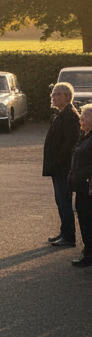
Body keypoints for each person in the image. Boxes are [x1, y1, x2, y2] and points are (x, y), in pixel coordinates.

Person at [44, 82, 80, 248]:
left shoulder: (70, 116)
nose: (53, 97)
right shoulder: (62, 113)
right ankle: (64, 232)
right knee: (60, 201)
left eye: (56, 94)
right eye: (53, 94)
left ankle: (69, 237)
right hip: (58, 166)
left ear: (66, 97)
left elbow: (71, 142)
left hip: (63, 167)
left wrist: (58, 160)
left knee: (64, 201)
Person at [67, 103, 92, 267]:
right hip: (82, 186)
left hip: (88, 187)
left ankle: (89, 255)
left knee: (87, 220)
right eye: (81, 116)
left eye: (85, 116)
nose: (81, 119)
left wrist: (80, 175)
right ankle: (88, 252)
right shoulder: (86, 136)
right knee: (84, 219)